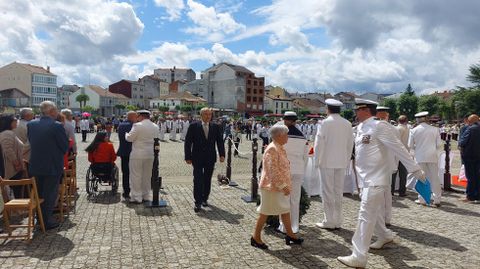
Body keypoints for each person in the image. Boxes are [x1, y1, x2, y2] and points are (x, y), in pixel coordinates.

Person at [337, 99, 425, 268]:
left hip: (376, 179)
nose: (355, 112)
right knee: (374, 212)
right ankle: (384, 235)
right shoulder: (360, 128)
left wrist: (414, 169)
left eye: (358, 109)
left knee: (365, 215)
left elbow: (398, 147)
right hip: (364, 179)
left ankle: (359, 255)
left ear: (367, 110)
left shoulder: (379, 126)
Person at [251, 123, 304, 249]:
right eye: (286, 134)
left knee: (285, 210)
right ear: (279, 135)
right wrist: (282, 185)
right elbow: (272, 170)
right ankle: (255, 237)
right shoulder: (272, 148)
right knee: (265, 212)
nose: (287, 137)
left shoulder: (279, 147)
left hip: (279, 187)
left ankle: (290, 234)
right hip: (272, 188)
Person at [27, 101, 69, 230]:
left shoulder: (31, 124)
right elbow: (64, 147)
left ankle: (39, 217)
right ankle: (46, 220)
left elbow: (31, 141)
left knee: (38, 193)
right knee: (50, 193)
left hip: (35, 164)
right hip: (52, 165)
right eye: (56, 110)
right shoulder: (56, 126)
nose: (57, 112)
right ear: (51, 111)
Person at [314, 99, 354, 230]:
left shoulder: (325, 123)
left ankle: (329, 220)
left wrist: (316, 161)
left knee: (327, 192)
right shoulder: (347, 123)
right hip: (341, 161)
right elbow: (350, 144)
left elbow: (319, 143)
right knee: (338, 191)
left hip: (326, 161)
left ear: (328, 109)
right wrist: (347, 160)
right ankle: (337, 220)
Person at [184, 107, 225, 212]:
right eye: (206, 114)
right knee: (197, 179)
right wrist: (187, 156)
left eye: (210, 114)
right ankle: (197, 202)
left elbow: (220, 141)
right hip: (197, 157)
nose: (208, 116)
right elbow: (188, 142)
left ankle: (204, 198)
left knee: (207, 179)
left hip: (210, 157)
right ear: (201, 115)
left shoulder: (216, 127)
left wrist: (222, 154)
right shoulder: (194, 126)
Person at [277, 112, 308, 234]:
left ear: (285, 121)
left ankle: (284, 226)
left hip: (285, 169)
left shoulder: (282, 135)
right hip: (298, 169)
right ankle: (295, 226)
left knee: (284, 198)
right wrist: (302, 169)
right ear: (295, 121)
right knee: (295, 199)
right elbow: (305, 157)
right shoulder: (302, 136)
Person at [408, 111, 443, 207]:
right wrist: (437, 155)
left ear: (417, 119)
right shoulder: (435, 129)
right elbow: (439, 145)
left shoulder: (413, 130)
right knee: (435, 178)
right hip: (432, 156)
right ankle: (437, 199)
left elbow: (410, 145)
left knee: (422, 177)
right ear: (426, 118)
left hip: (420, 156)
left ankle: (422, 198)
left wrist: (415, 154)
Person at [125, 110, 159, 203]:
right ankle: (146, 195)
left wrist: (126, 134)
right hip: (150, 154)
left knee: (136, 175)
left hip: (138, 154)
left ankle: (137, 197)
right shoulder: (155, 126)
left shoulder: (137, 125)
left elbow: (130, 138)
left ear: (141, 116)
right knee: (147, 176)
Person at [375, 106, 398, 226]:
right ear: (387, 115)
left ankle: (380, 218)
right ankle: (387, 218)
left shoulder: (374, 127)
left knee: (377, 192)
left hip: (378, 164)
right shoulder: (394, 129)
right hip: (389, 163)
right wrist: (395, 164)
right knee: (387, 192)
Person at [0, 114, 26, 198]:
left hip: (13, 167)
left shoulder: (9, 133)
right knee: (16, 189)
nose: (17, 122)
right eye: (14, 120)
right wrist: (16, 163)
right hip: (12, 168)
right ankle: (17, 209)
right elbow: (7, 149)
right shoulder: (7, 133)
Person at [458, 114, 480, 202]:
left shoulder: (470, 129)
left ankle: (470, 196)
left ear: (470, 121)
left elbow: (462, 142)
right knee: (478, 176)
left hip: (469, 156)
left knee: (470, 177)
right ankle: (478, 196)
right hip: (478, 157)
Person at [117, 111, 137, 199]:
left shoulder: (121, 125)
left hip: (123, 151)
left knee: (125, 172)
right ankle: (134, 190)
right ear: (133, 117)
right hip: (133, 151)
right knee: (134, 172)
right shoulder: (134, 125)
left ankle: (126, 191)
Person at [393, 115, 409, 196]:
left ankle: (391, 190)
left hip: (396, 152)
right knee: (403, 174)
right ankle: (402, 191)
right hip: (405, 153)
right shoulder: (409, 128)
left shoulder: (396, 128)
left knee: (393, 172)